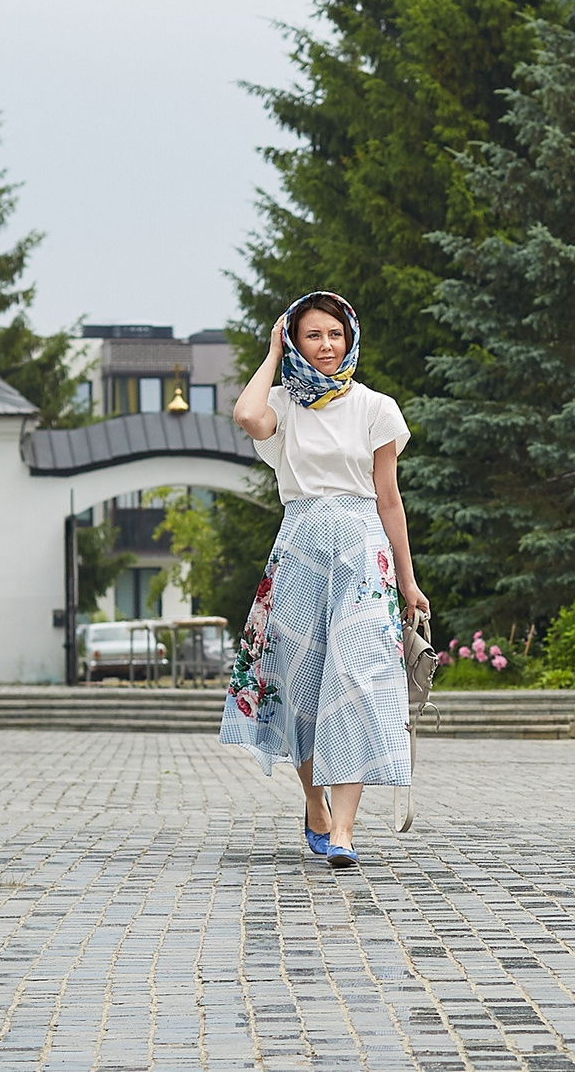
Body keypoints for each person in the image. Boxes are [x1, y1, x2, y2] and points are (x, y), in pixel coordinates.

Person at [224, 290, 428, 869]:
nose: (327, 346)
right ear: (295, 341)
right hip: (300, 550)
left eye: (334, 335)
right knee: (302, 691)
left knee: (357, 682)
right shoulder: (284, 406)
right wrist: (271, 354)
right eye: (312, 335)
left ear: (350, 338)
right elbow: (246, 415)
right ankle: (314, 804)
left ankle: (343, 830)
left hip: (362, 555)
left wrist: (408, 583)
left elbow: (390, 500)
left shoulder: (376, 408)